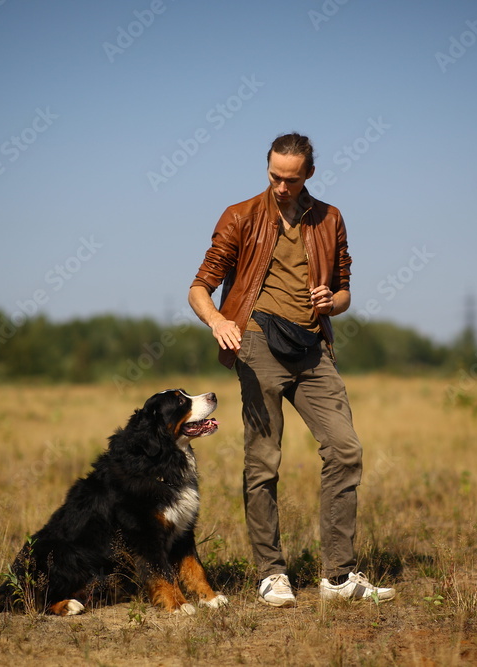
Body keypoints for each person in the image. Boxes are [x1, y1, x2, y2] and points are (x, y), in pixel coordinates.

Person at [188, 132, 395, 607]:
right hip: (256, 343)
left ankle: (339, 577)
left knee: (345, 449)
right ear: (267, 169)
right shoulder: (240, 216)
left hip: (312, 348)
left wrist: (333, 302)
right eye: (274, 176)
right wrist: (219, 320)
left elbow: (344, 290)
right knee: (264, 461)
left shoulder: (329, 218)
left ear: (309, 175)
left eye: (291, 178)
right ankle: (271, 573)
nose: (282, 186)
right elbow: (200, 287)